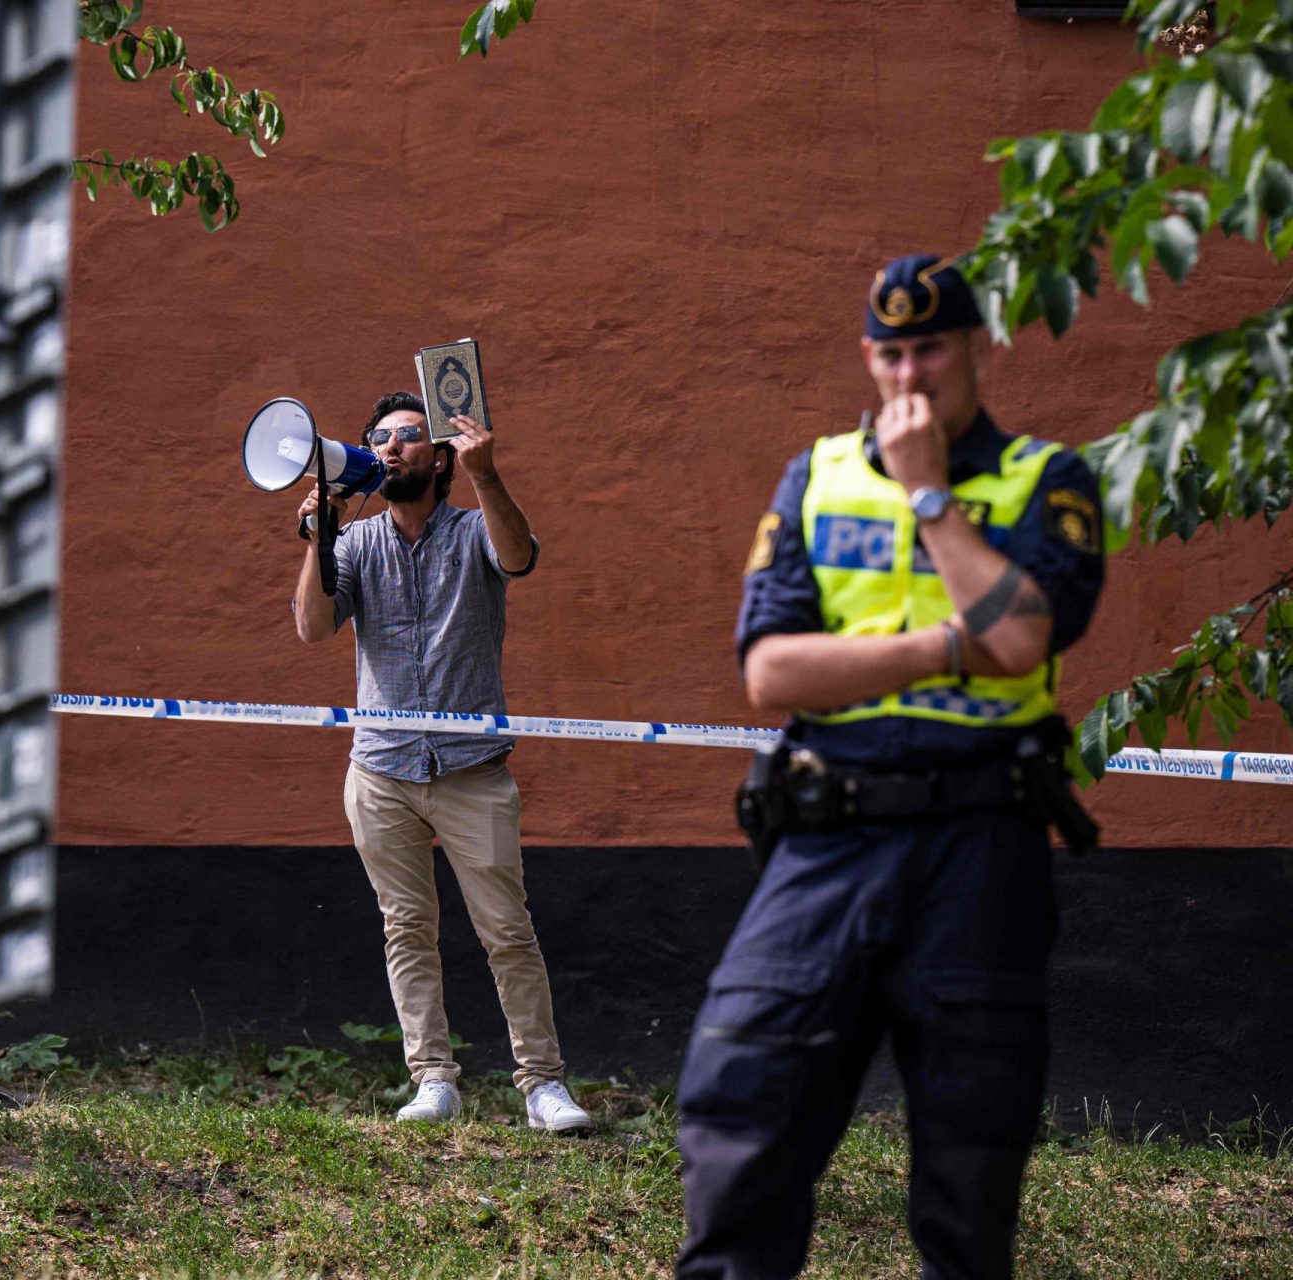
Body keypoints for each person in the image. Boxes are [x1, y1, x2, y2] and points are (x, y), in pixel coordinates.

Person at [673, 255, 1107, 1277]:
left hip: (981, 842)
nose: (912, 375)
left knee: (971, 1151)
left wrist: (927, 495)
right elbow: (773, 669)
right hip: (831, 835)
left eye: (933, 349)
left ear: (974, 349)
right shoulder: (815, 475)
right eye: (892, 352)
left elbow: (1030, 637)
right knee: (738, 1098)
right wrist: (947, 644)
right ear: (870, 358)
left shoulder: (1049, 479)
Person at [292, 390, 590, 1133]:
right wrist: (316, 540)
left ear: (442, 458)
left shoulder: (470, 530)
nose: (392, 447)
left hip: (470, 771)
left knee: (507, 932)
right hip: (381, 770)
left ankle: (542, 1085)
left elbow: (518, 557)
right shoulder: (356, 543)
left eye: (409, 437)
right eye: (380, 439)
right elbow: (312, 628)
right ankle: (432, 1080)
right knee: (407, 930)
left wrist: (490, 476)